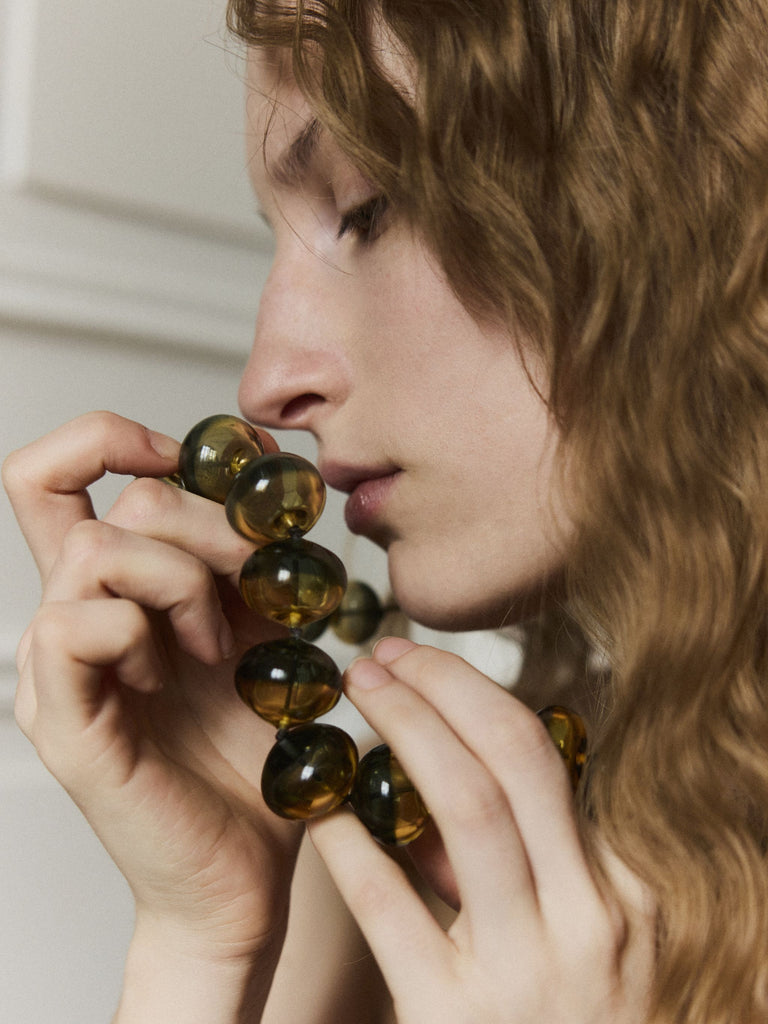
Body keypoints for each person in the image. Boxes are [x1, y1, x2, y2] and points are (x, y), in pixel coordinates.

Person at [4, 0, 768, 1020]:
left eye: (367, 207)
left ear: (683, 191)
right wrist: (197, 946)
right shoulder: (443, 821)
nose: (265, 380)